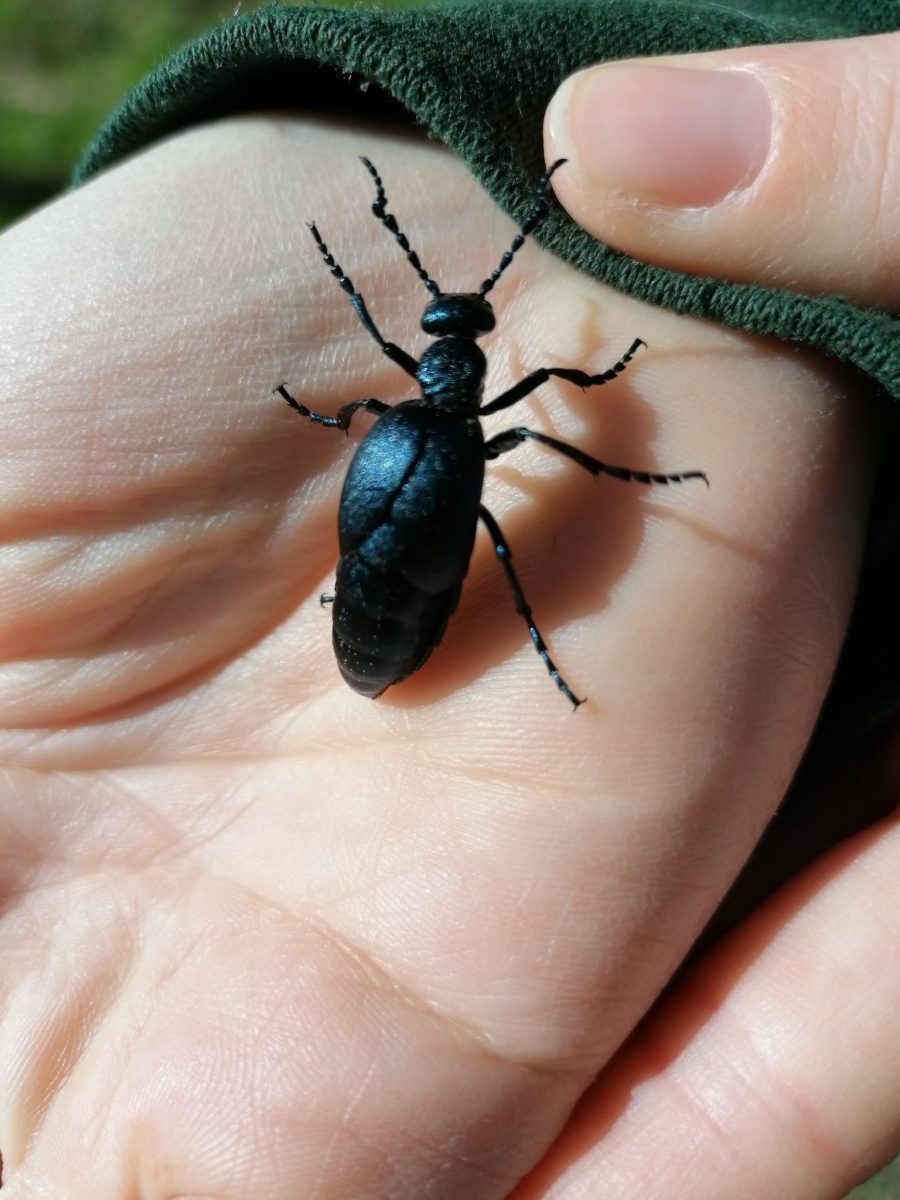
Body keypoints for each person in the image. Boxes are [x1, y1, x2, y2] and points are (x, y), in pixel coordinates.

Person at [0, 23, 896, 1200]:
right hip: (412, 555)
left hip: (391, 571)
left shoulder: (408, 408)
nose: (447, 332)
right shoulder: (468, 419)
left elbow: (374, 455)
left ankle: (508, 617)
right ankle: (523, 623)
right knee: (487, 544)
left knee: (470, 541)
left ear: (434, 356)